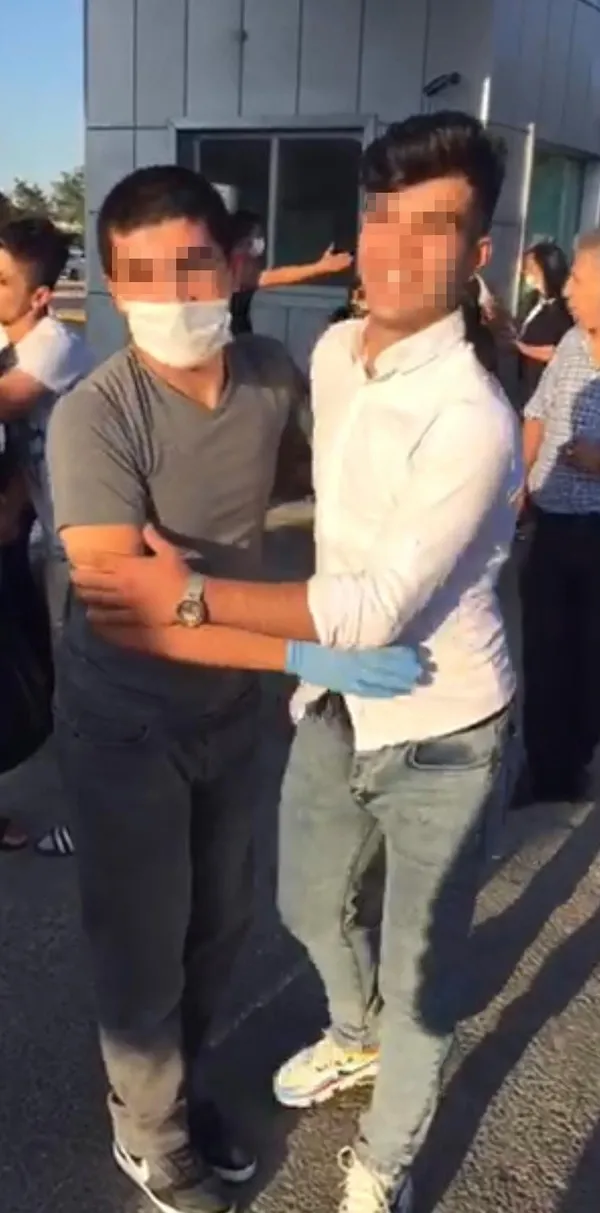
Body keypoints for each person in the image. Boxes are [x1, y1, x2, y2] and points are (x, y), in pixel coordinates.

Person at [71, 113, 522, 1213]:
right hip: (145, 719)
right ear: (112, 286)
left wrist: (232, 608)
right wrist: (301, 650)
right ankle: (150, 1130)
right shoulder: (104, 416)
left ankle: (258, 1120)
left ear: (235, 268)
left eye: (193, 267)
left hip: (287, 712)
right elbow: (126, 610)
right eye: (142, 276)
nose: (171, 296)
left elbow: (326, 520)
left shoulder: (300, 377)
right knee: (159, 939)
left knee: (231, 929)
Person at [0, 216, 93, 857]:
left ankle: (95, 822)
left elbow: (7, 405)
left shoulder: (53, 346)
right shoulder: (11, 342)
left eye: (2, 281)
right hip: (47, 535)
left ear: (39, 296)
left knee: (84, 685)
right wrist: (13, 507)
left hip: (85, 539)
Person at [516, 230, 600, 806]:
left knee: (589, 659)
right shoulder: (571, 343)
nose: (567, 289)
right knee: (544, 653)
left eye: (579, 279)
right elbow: (538, 414)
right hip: (550, 524)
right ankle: (546, 771)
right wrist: (519, 485)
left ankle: (576, 757)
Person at [229, 208, 352, 335]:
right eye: (256, 236)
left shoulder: (246, 265)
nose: (260, 241)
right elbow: (274, 277)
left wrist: (320, 267)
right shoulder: (236, 264)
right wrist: (319, 267)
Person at [515, 239, 572, 401]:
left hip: (545, 389)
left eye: (531, 268)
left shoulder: (564, 309)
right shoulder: (532, 300)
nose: (526, 273)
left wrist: (521, 348)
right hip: (524, 384)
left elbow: (558, 352)